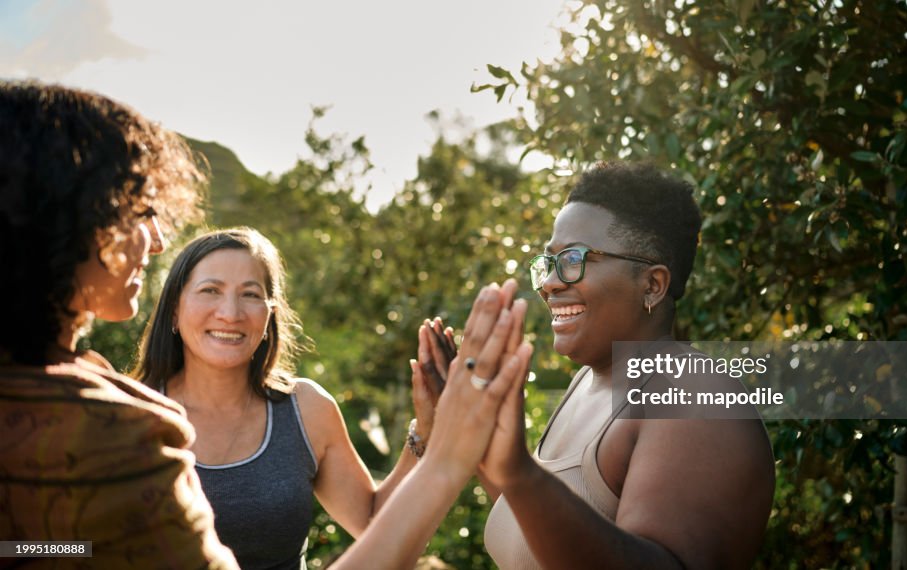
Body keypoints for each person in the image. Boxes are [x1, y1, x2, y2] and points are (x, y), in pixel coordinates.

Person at [0, 80, 533, 570]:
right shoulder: (124, 425)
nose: (157, 239)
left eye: (251, 295)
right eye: (138, 210)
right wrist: (447, 460)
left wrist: (429, 436)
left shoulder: (295, 409)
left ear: (272, 313)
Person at [421, 162, 776, 568]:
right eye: (549, 263)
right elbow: (533, 524)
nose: (551, 284)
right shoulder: (587, 383)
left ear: (652, 285)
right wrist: (469, 433)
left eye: (573, 259)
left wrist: (519, 471)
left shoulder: (695, 401)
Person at [0, 80, 237, 568]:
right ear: (70, 220)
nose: (155, 243)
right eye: (139, 211)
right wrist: (439, 469)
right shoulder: (118, 438)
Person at [133, 227, 442, 569]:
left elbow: (374, 524)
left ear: (270, 314)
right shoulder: (122, 415)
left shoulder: (306, 408)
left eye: (250, 294)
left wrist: (427, 428)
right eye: (210, 290)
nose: (230, 313)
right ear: (174, 308)